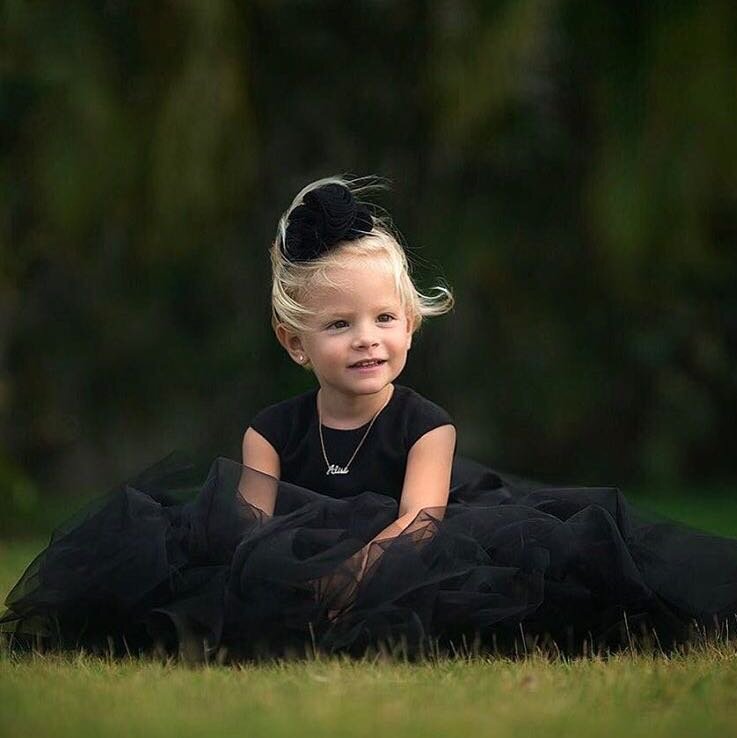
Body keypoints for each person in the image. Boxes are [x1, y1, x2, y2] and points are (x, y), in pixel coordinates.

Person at [2, 176, 737, 662]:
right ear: (294, 342)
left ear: (411, 324)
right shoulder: (269, 432)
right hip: (298, 574)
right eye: (339, 324)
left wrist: (351, 578)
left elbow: (421, 523)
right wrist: (286, 587)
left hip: (410, 556)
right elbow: (244, 533)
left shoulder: (428, 426)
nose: (367, 339)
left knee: (518, 587)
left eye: (385, 318)